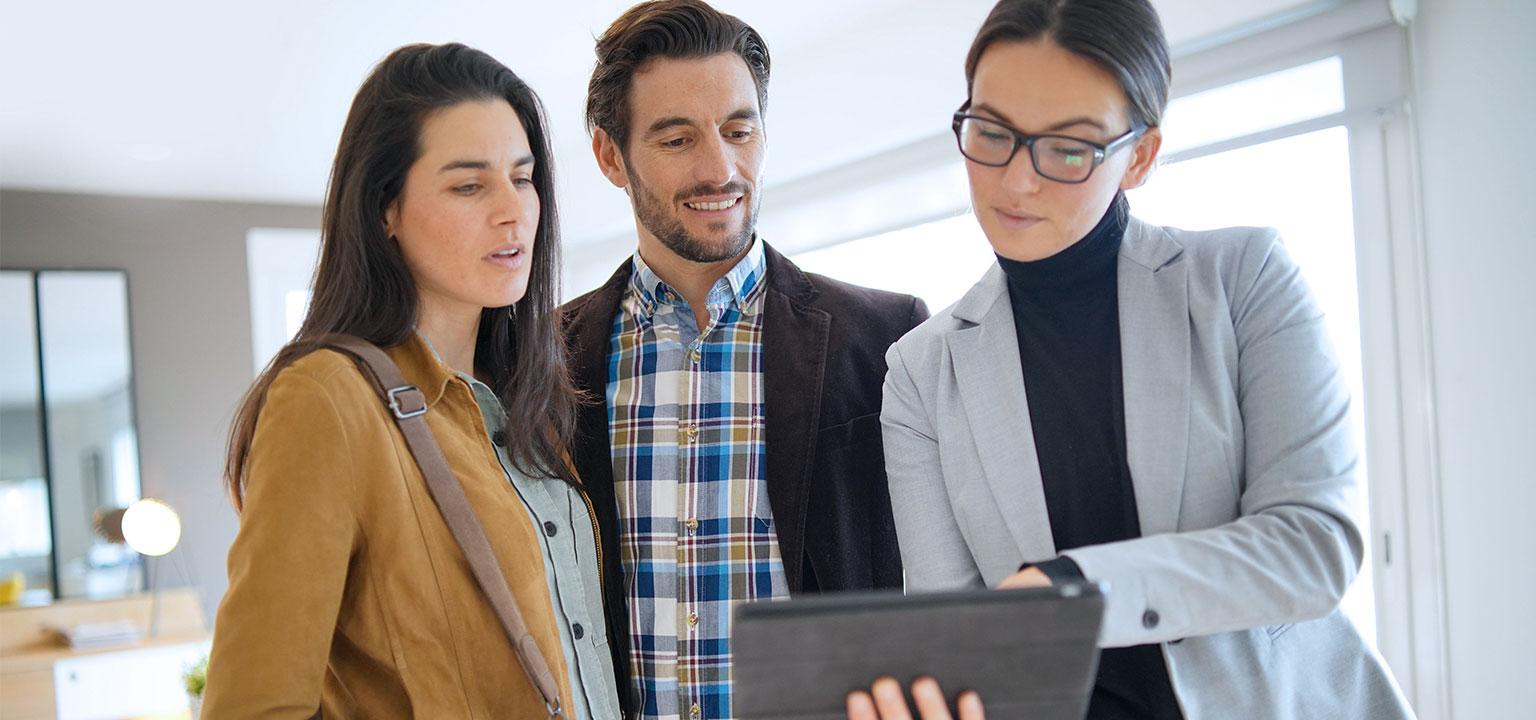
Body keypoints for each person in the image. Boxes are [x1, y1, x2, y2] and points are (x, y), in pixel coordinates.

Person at [871, 0, 1415, 718]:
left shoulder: (1244, 278)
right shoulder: (919, 372)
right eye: (992, 132)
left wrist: (1074, 590)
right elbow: (957, 634)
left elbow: (1312, 545)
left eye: (1067, 148)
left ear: (1141, 156)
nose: (1016, 180)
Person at [203, 43, 621, 719]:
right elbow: (252, 705)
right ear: (383, 210)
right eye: (468, 185)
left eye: (522, 177)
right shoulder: (329, 399)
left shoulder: (529, 398)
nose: (512, 211)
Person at [560, 2, 929, 718]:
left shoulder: (888, 337)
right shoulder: (539, 356)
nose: (719, 169)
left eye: (739, 130)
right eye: (676, 139)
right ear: (611, 156)